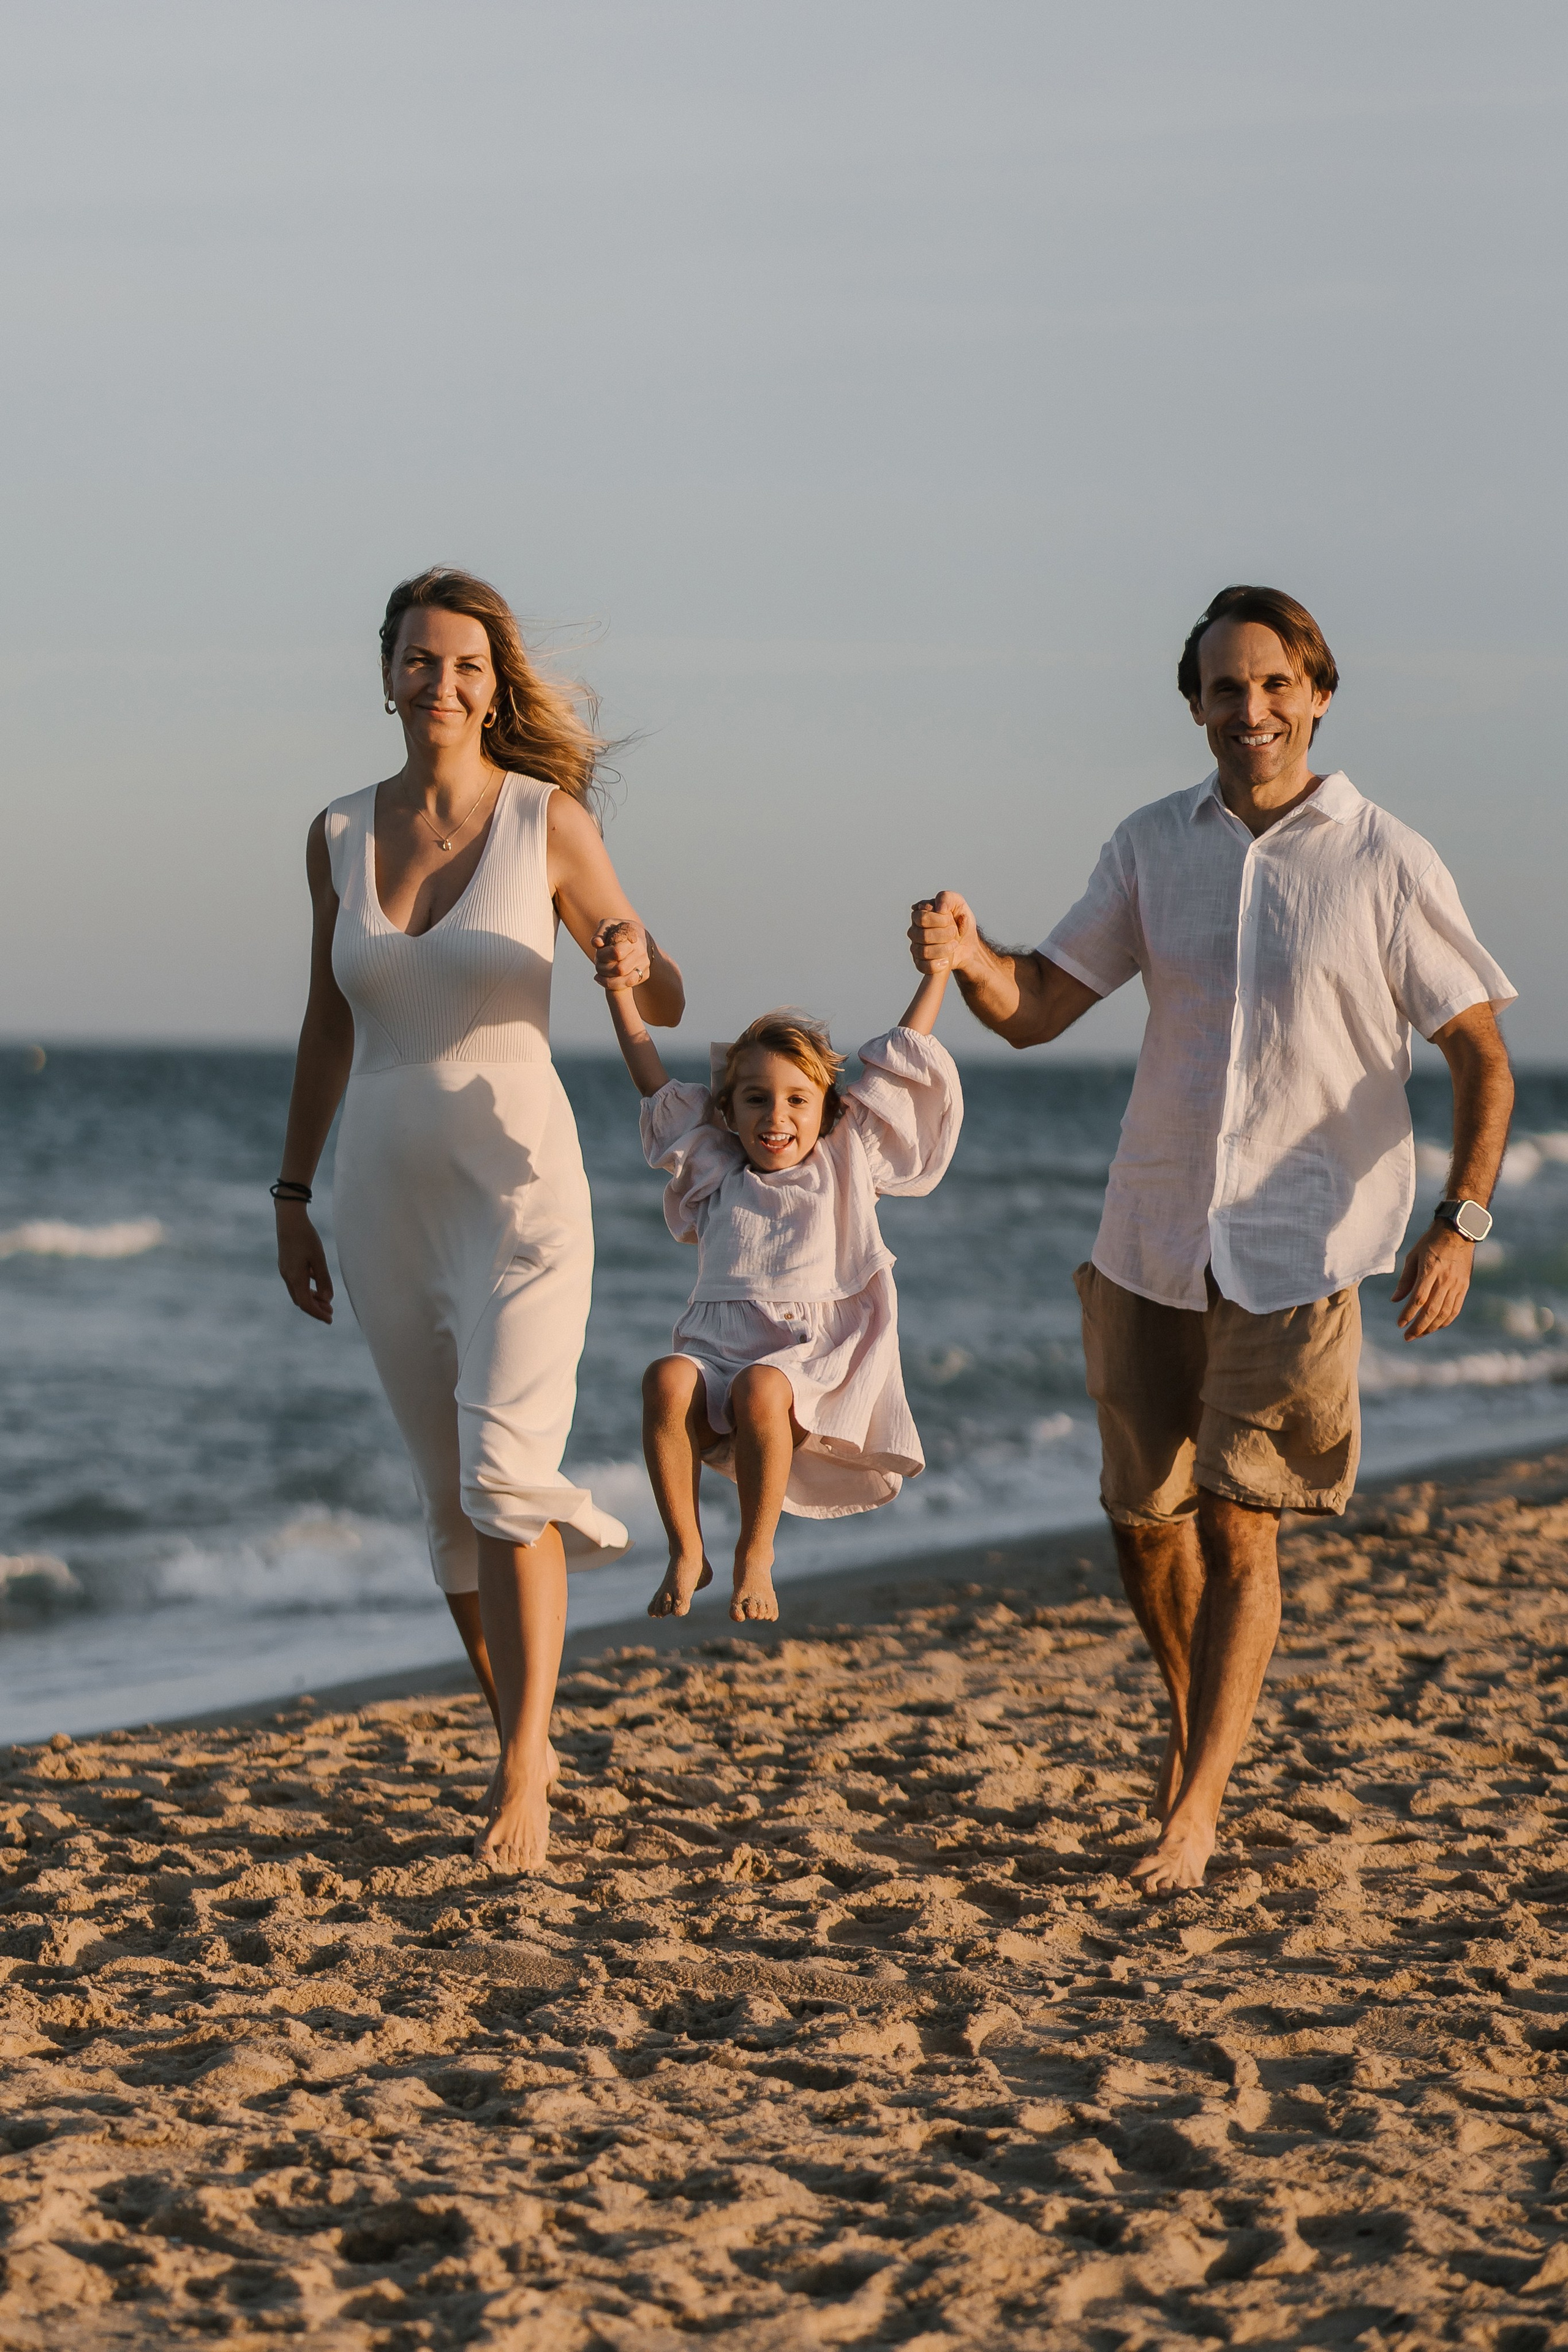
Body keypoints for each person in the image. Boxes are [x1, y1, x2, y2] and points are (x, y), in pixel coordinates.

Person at [908, 584, 1515, 1892]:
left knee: (1245, 1526)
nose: (1250, 711)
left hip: (1302, 1248)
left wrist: (1456, 1222)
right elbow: (1034, 1011)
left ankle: (1194, 1806)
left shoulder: (1384, 859)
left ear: (1317, 692)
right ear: (1192, 706)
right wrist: (966, 955)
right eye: (1224, 690)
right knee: (1142, 1520)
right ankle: (1194, 1733)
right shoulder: (1149, 847)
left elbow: (1478, 1056)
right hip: (1152, 1229)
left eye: (1273, 685)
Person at [274, 565, 684, 1873]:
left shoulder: (543, 822)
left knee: (508, 1471)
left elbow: (657, 983)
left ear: (493, 684)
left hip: (519, 1182)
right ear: (385, 673)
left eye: (463, 664)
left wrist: (635, 962)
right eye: (416, 658)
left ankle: (521, 1773)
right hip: (380, 1188)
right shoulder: (335, 833)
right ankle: (526, 1732)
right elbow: (329, 1019)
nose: (438, 682)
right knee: (452, 1502)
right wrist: (291, 1192)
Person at [602, 937, 963, 1624]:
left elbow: (905, 1052)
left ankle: (755, 1556)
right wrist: (617, 991)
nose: (776, 1118)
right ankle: (685, 1552)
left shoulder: (846, 1160)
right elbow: (651, 1081)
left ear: (828, 1109)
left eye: (798, 1100)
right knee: (664, 1378)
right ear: (726, 1111)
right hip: (716, 1350)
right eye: (756, 1099)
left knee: (761, 1387)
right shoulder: (714, 1168)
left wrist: (937, 972)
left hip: (804, 1359)